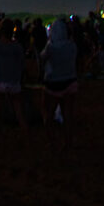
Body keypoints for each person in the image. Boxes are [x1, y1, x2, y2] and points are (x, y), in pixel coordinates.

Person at [0, 20, 28, 154]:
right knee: (19, 113)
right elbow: (22, 65)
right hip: (14, 81)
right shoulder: (18, 47)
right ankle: (26, 142)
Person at [39, 18, 80, 150]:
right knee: (68, 115)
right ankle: (68, 142)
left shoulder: (51, 47)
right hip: (70, 81)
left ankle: (52, 142)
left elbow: (42, 57)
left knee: (48, 114)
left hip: (53, 83)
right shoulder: (72, 45)